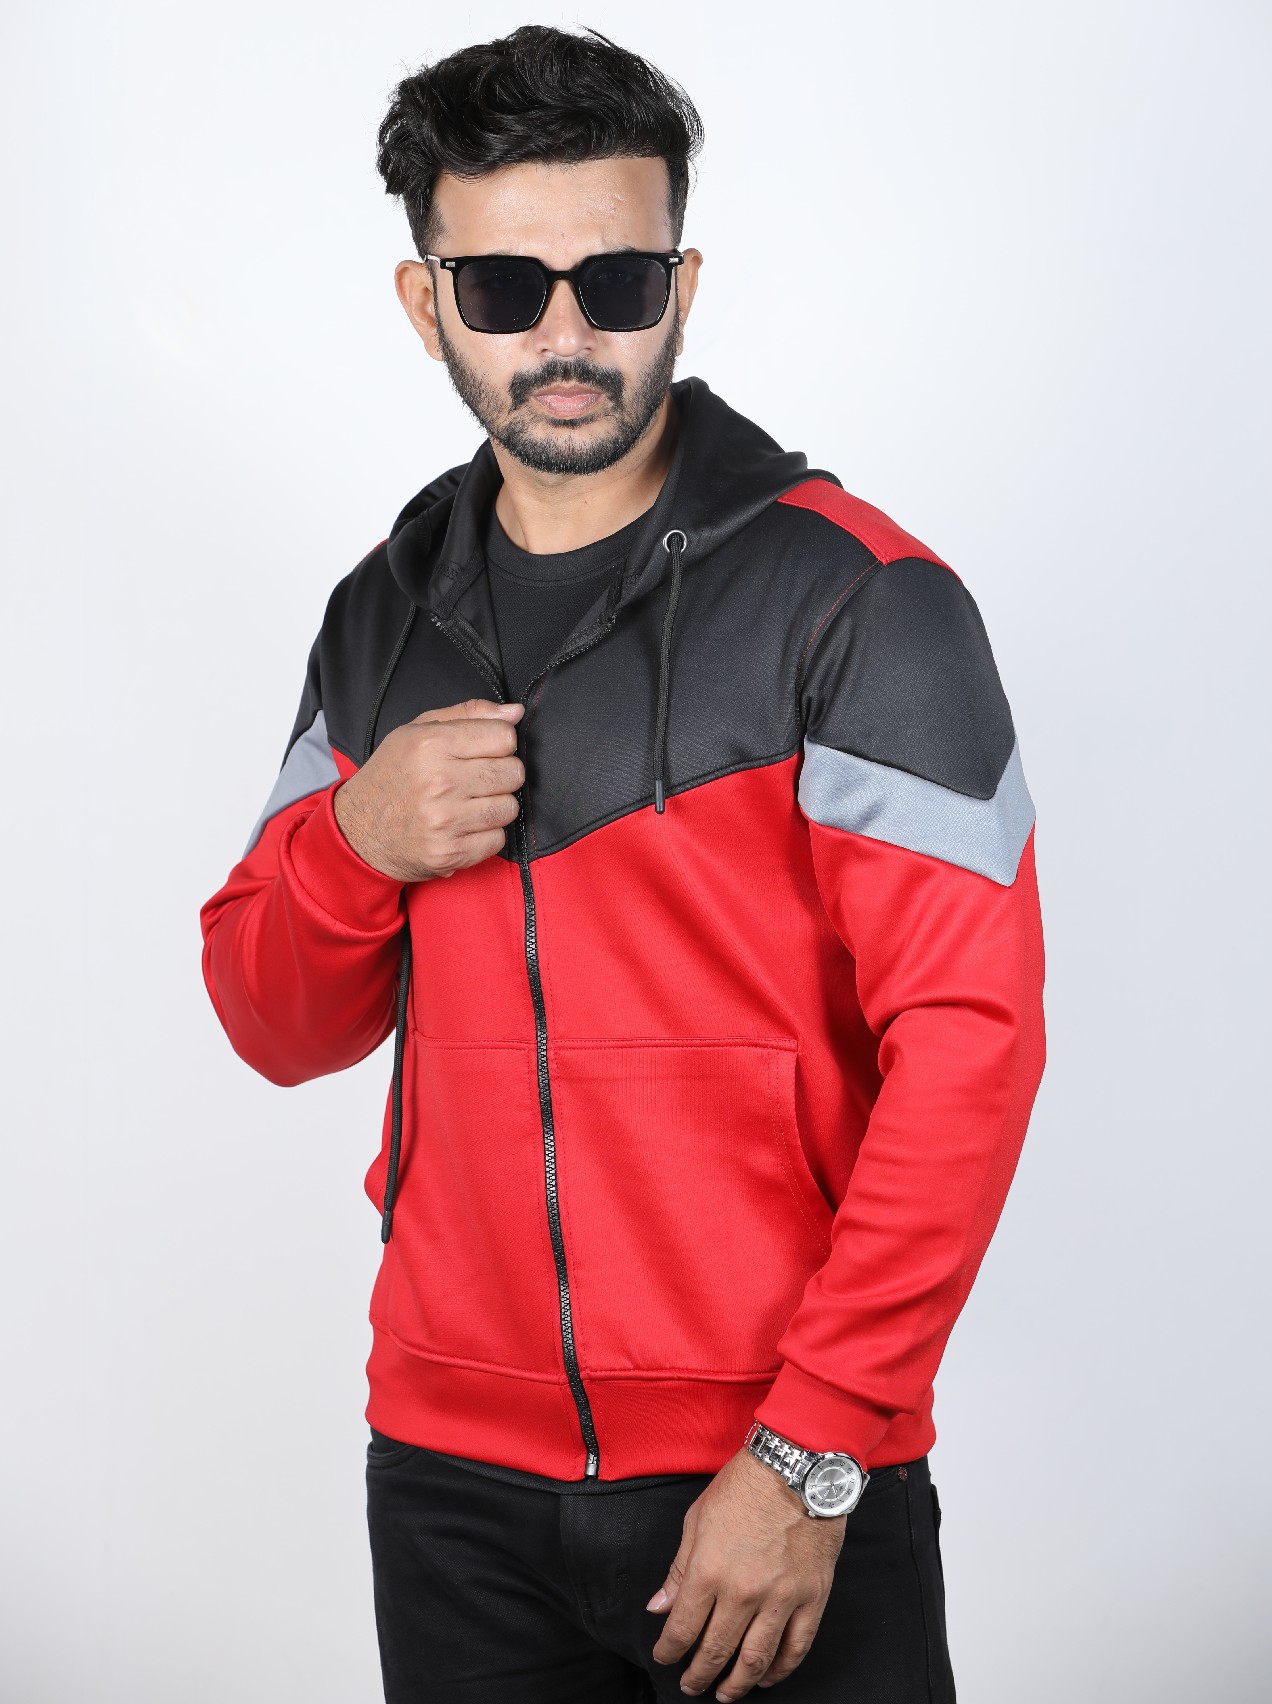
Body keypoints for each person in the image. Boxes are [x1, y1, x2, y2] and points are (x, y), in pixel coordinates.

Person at [199, 24, 1046, 1704]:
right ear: (426, 302)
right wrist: (359, 844)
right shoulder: (378, 619)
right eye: (505, 287)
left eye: (620, 280)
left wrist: (812, 1450)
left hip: (775, 1463)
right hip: (447, 1482)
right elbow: (273, 1021)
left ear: (685, 282)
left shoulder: (864, 601)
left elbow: (974, 1051)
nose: (567, 334)